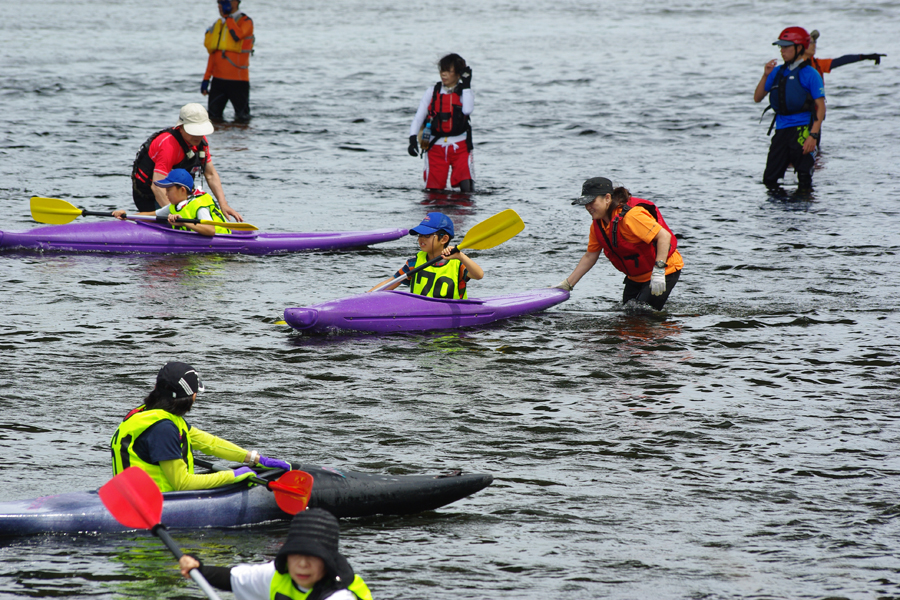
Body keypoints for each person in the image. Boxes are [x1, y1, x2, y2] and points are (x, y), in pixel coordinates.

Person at [110, 362, 291, 492]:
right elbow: (183, 484)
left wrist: (254, 458)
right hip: (157, 504)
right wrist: (233, 476)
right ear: (189, 397)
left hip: (130, 497)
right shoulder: (163, 429)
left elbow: (209, 443)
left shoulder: (147, 414)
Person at [178, 508, 373, 600]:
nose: (302, 565)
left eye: (313, 557)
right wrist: (199, 569)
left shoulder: (340, 598)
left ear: (328, 562)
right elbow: (232, 579)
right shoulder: (278, 575)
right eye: (296, 554)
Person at [554, 177, 684, 311]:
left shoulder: (631, 216)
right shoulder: (597, 226)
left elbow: (664, 236)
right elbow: (590, 256)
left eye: (592, 202)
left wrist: (659, 270)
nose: (588, 207)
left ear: (607, 198)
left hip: (665, 270)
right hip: (636, 277)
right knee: (628, 315)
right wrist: (567, 285)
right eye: (585, 203)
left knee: (641, 317)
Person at [131, 103, 243, 221]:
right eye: (193, 131)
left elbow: (210, 174)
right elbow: (157, 186)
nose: (198, 136)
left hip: (178, 192)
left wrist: (223, 204)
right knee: (168, 223)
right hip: (149, 193)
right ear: (181, 127)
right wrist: (174, 216)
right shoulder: (168, 145)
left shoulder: (201, 142)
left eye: (200, 131)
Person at [753, 27, 826, 192]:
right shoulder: (777, 72)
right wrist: (765, 75)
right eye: (781, 47)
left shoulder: (810, 74)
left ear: (799, 48)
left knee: (804, 180)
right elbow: (757, 98)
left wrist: (813, 136)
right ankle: (778, 215)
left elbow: (821, 107)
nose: (782, 51)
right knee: (770, 180)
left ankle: (803, 214)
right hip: (781, 131)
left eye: (786, 47)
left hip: (802, 131)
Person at [368, 212, 483, 298]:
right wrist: (366, 297)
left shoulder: (458, 265)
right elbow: (392, 281)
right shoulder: (413, 263)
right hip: (421, 315)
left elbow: (479, 275)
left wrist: (461, 256)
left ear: (444, 239)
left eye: (427, 235)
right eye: (420, 235)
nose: (421, 239)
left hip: (451, 320)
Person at [407, 54, 475, 192]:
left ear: (458, 74)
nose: (443, 74)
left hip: (460, 146)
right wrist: (412, 138)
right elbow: (419, 117)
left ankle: (465, 213)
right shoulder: (432, 92)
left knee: (467, 190)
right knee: (434, 191)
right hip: (435, 146)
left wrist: (467, 85)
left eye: (448, 71)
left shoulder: (465, 92)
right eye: (442, 70)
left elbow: (467, 110)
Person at [113, 169, 230, 236]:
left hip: (222, 242)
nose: (166, 194)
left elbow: (210, 230)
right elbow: (150, 216)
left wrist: (183, 223)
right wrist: (126, 216)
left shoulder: (199, 205)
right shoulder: (176, 205)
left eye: (169, 190)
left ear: (182, 190)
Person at [202, 0, 255, 123]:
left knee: (242, 120)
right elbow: (213, 54)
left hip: (238, 81)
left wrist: (229, 17)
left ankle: (241, 143)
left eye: (224, 2)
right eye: (219, 2)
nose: (220, 5)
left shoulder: (245, 21)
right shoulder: (218, 24)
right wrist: (206, 79)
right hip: (218, 82)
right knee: (213, 120)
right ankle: (218, 142)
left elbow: (237, 35)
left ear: (235, 2)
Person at [803, 29, 886, 82]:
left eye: (815, 42)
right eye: (811, 43)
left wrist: (865, 57)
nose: (814, 45)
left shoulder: (817, 64)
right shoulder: (793, 65)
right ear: (800, 46)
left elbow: (842, 60)